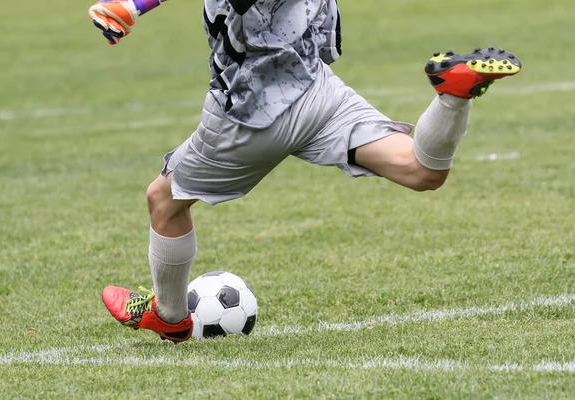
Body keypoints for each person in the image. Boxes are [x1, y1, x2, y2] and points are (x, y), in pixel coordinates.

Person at [89, 0, 522, 342]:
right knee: (421, 169)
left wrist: (131, 5)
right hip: (316, 89)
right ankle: (452, 95)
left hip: (253, 113)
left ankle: (169, 317)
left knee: (163, 201)